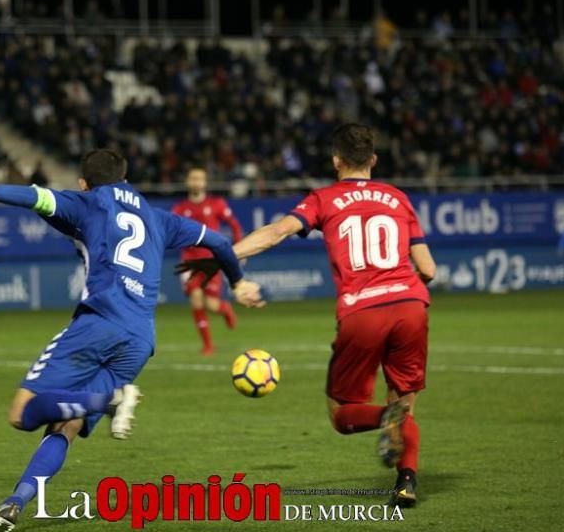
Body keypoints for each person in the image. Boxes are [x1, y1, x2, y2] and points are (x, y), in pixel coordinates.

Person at [0, 149, 262, 532]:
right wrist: (238, 282)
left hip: (99, 322)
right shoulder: (158, 217)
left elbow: (34, 195)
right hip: (140, 339)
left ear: (84, 184)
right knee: (66, 425)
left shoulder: (88, 202)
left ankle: (109, 402)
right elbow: (220, 243)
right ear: (124, 178)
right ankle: (14, 503)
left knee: (22, 413)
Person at [179, 123, 436, 508]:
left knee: (342, 414)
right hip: (411, 306)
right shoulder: (397, 197)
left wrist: (226, 256)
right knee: (404, 401)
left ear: (336, 162)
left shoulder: (323, 199)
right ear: (374, 160)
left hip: (362, 311)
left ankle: (387, 419)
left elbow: (276, 232)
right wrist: (400, 289)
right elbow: (428, 269)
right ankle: (406, 482)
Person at [171, 167, 244, 355]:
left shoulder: (217, 204)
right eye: (193, 178)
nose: (196, 182)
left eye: (199, 179)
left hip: (212, 260)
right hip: (189, 262)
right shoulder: (179, 209)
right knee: (196, 299)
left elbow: (234, 225)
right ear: (188, 182)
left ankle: (225, 308)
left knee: (211, 304)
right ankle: (208, 346)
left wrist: (238, 250)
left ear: (205, 183)